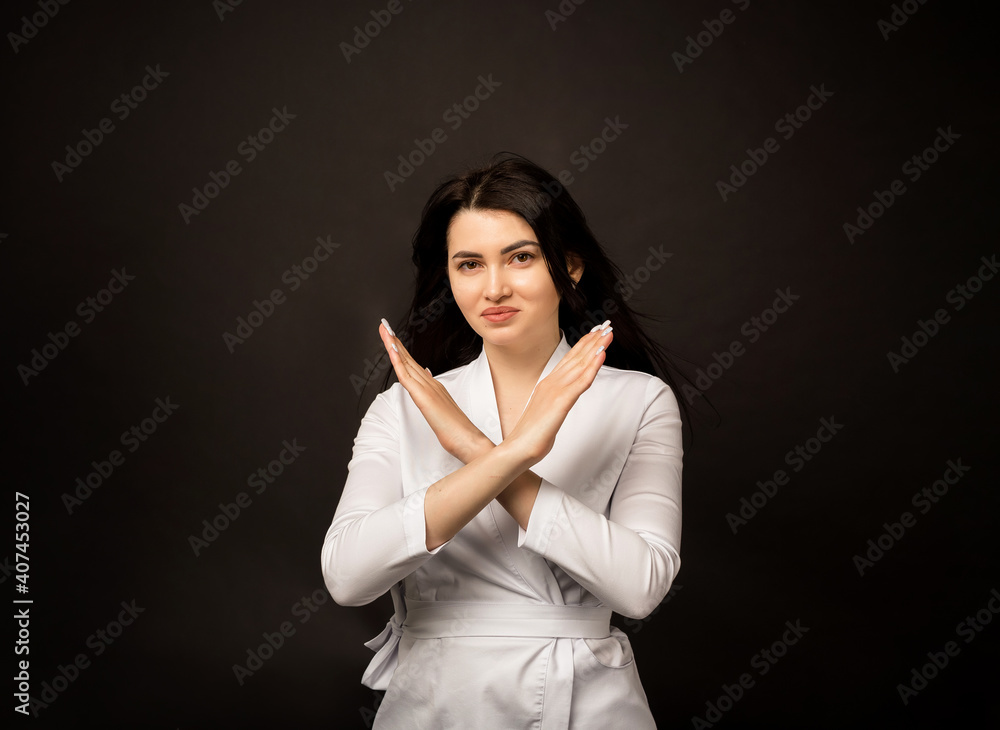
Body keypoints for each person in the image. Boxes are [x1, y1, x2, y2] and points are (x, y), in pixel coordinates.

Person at [322, 153, 684, 728]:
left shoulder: (639, 400)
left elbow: (641, 587)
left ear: (570, 266)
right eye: (469, 264)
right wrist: (512, 454)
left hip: (586, 703)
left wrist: (475, 450)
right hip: (433, 703)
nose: (494, 288)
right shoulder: (403, 407)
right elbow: (347, 577)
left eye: (521, 257)